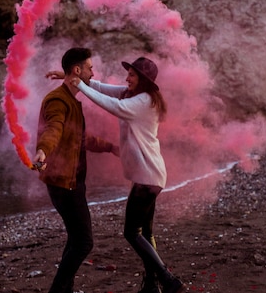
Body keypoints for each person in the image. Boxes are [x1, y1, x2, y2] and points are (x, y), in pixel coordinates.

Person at [68, 56, 185, 293]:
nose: (126, 78)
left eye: (131, 74)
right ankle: (152, 285)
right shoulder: (132, 94)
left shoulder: (143, 101)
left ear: (142, 79)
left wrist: (78, 86)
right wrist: (75, 79)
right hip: (149, 176)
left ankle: (169, 281)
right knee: (146, 233)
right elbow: (101, 88)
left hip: (147, 178)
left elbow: (116, 108)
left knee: (131, 233)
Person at [34, 47, 116, 293]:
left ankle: (64, 289)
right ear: (78, 70)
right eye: (90, 68)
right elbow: (54, 129)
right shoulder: (58, 100)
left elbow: (81, 138)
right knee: (84, 242)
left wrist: (112, 148)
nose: (94, 72)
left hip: (70, 182)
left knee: (75, 238)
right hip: (64, 184)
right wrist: (42, 151)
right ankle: (58, 290)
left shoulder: (72, 99)